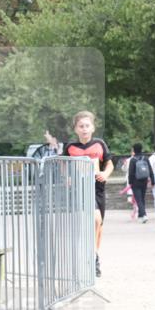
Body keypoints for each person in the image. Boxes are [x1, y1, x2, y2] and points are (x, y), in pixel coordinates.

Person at [66, 111, 113, 277]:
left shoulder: (100, 144)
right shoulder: (70, 147)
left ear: (92, 127)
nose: (84, 129)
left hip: (97, 189)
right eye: (81, 126)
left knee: (98, 225)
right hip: (80, 190)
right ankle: (89, 258)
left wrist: (105, 174)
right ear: (75, 129)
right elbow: (63, 166)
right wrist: (68, 177)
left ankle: (94, 257)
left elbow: (109, 164)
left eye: (87, 126)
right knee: (94, 219)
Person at [127, 143, 152, 223]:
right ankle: (140, 216)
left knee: (138, 200)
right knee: (142, 198)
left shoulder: (133, 159)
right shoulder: (145, 158)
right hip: (144, 180)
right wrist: (153, 181)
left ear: (134, 150)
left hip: (135, 182)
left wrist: (130, 182)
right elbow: (150, 170)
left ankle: (144, 215)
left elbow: (130, 173)